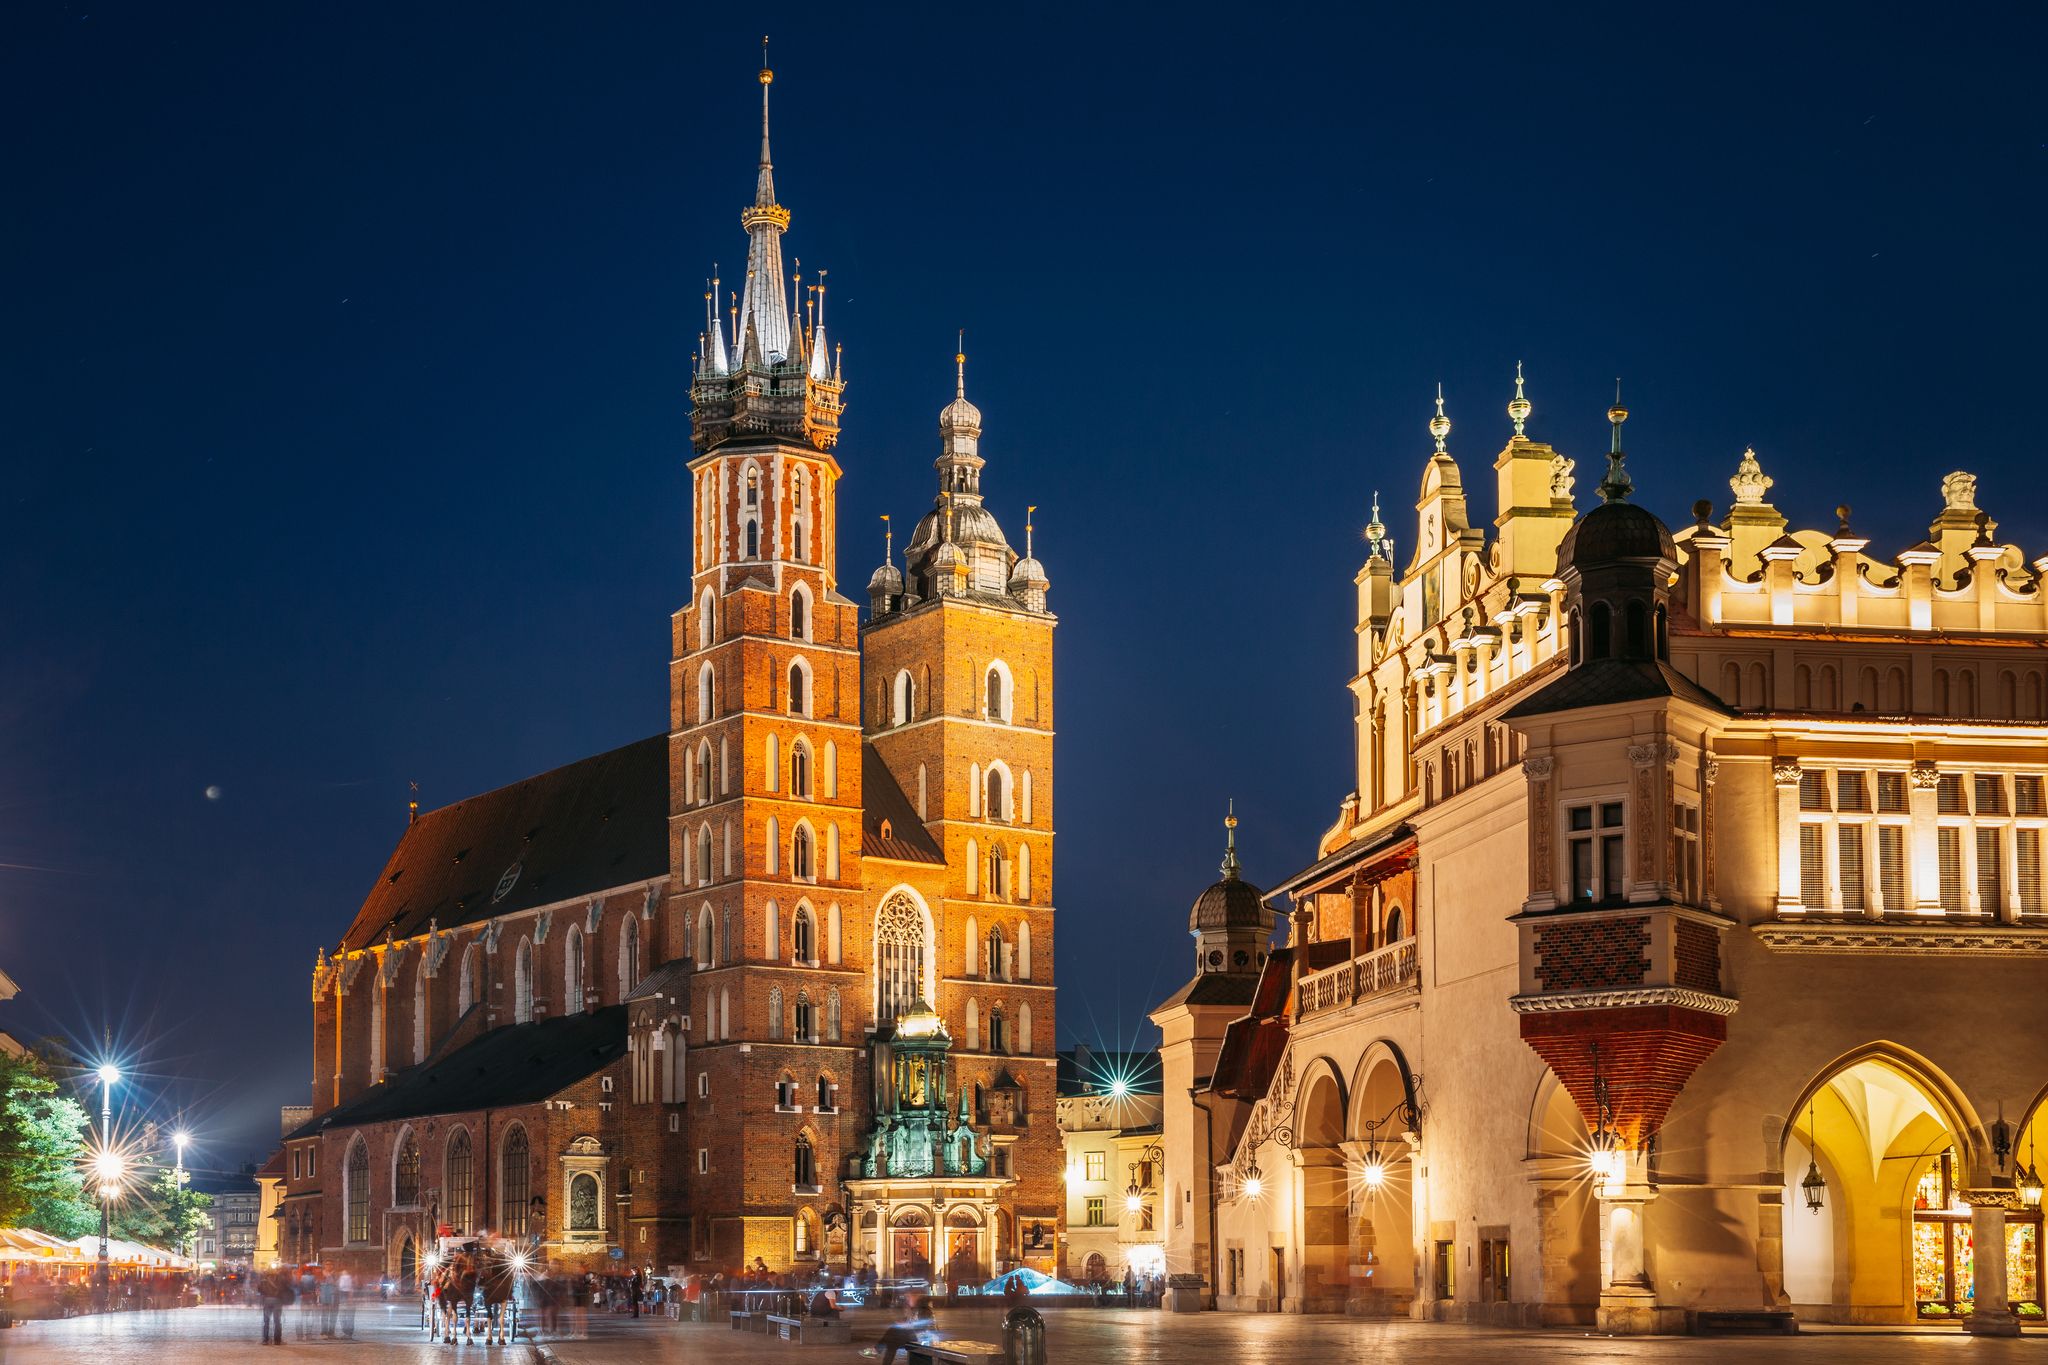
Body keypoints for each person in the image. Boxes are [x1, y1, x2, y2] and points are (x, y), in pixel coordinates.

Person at [256, 1268, 287, 1346]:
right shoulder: (280, 1280)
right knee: (277, 1321)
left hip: (267, 1300)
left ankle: (265, 1340)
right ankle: (277, 1340)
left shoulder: (264, 1281)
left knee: (266, 1321)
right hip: (277, 1301)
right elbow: (283, 1290)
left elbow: (259, 1290)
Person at [336, 1268, 357, 1338]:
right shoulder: (343, 1280)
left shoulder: (349, 1280)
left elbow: (349, 1289)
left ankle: (348, 1333)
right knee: (345, 1317)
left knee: (346, 1317)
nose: (344, 1276)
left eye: (345, 1274)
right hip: (344, 1300)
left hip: (347, 1300)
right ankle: (347, 1333)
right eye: (343, 1274)